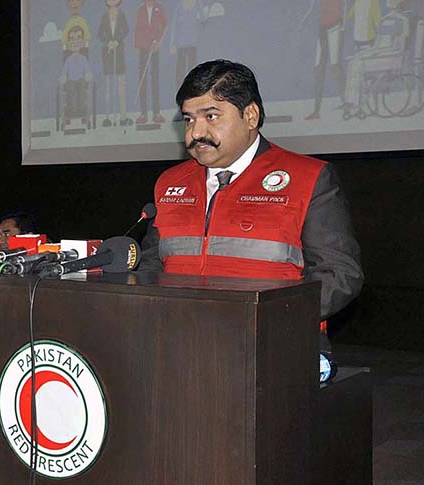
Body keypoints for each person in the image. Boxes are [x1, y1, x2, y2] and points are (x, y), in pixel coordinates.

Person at [140, 59, 363, 330]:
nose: (196, 133)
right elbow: (151, 266)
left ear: (250, 116)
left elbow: (338, 275)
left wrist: (269, 320)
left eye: (211, 116)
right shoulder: (170, 182)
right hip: (178, 339)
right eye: (189, 120)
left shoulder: (309, 178)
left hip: (272, 341)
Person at [97, 0, 131, 127]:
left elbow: (125, 30)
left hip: (119, 52)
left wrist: (117, 41)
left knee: (121, 86)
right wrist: (108, 43)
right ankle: (108, 116)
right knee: (108, 86)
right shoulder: (104, 16)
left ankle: (122, 116)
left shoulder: (121, 14)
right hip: (107, 53)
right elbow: (100, 34)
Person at [133, 0, 167, 124]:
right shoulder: (140, 10)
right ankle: (143, 114)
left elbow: (164, 25)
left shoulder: (159, 8)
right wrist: (137, 46)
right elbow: (137, 29)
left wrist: (158, 41)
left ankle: (156, 113)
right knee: (142, 80)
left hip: (155, 49)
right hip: (143, 49)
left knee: (154, 80)